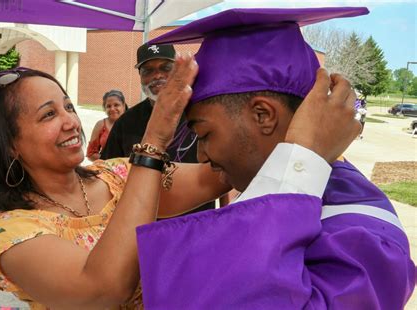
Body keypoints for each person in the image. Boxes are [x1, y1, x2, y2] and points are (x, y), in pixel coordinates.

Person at [134, 7, 416, 309]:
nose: (202, 155)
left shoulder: (367, 236)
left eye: (204, 135)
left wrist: (301, 158)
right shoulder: (276, 190)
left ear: (263, 114)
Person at [0, 61, 231, 309]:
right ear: (10, 144)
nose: (71, 122)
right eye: (49, 114)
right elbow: (103, 290)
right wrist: (154, 141)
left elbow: (219, 175)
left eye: (68, 107)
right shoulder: (13, 231)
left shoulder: (118, 175)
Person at [101, 42, 216, 215]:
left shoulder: (203, 112)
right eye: (148, 71)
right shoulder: (125, 123)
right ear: (140, 76)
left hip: (197, 221)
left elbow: (222, 171)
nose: (158, 75)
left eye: (166, 67)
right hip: (146, 221)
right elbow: (107, 176)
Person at [86, 89, 127, 161]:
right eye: (108, 106)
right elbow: (90, 154)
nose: (112, 109)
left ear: (123, 106)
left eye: (116, 105)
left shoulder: (132, 123)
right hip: (106, 169)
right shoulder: (100, 125)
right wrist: (110, 162)